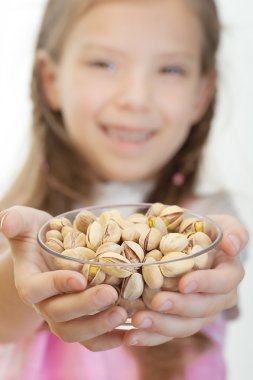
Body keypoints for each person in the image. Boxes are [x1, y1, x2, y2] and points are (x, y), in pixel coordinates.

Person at [0, 0, 248, 379]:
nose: (136, 98)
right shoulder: (19, 220)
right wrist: (23, 277)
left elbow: (216, 290)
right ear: (51, 80)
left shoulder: (204, 221)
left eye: (170, 69)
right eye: (104, 63)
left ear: (202, 93)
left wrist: (213, 277)